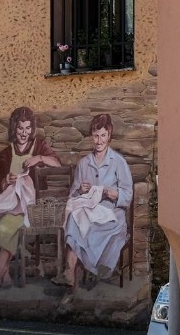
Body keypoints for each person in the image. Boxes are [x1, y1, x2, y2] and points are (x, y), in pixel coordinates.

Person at [0, 106, 61, 290]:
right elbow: (1, 186)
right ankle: (5, 278)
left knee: (4, 228)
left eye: (28, 128)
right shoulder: (6, 153)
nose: (24, 133)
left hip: (31, 207)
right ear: (14, 129)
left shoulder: (39, 146)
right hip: (11, 203)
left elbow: (57, 164)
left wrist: (39, 158)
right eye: (20, 128)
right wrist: (7, 180)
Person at [56, 113, 132, 291]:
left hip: (112, 218)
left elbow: (128, 196)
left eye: (103, 136)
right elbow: (73, 197)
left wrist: (111, 193)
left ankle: (73, 274)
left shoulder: (118, 162)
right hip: (89, 213)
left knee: (85, 228)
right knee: (75, 219)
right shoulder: (84, 164)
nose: (99, 141)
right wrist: (80, 190)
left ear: (109, 135)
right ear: (92, 136)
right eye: (96, 136)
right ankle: (69, 273)